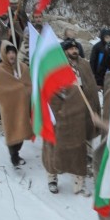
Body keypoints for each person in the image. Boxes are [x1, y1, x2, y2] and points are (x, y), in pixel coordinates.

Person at [42, 39, 100, 194]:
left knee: (78, 147)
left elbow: (92, 88)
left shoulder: (84, 65)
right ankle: (52, 178)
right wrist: (60, 112)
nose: (74, 51)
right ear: (64, 51)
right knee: (54, 147)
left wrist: (94, 109)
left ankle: (78, 181)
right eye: (70, 48)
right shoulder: (57, 68)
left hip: (81, 114)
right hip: (61, 115)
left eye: (76, 48)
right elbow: (51, 93)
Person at [0, 41, 33, 167]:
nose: (11, 55)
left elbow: (28, 85)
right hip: (8, 107)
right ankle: (14, 155)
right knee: (12, 131)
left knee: (22, 130)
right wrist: (18, 88)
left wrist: (24, 90)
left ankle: (17, 151)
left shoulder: (23, 67)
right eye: (8, 52)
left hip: (22, 106)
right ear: (4, 54)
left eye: (13, 52)